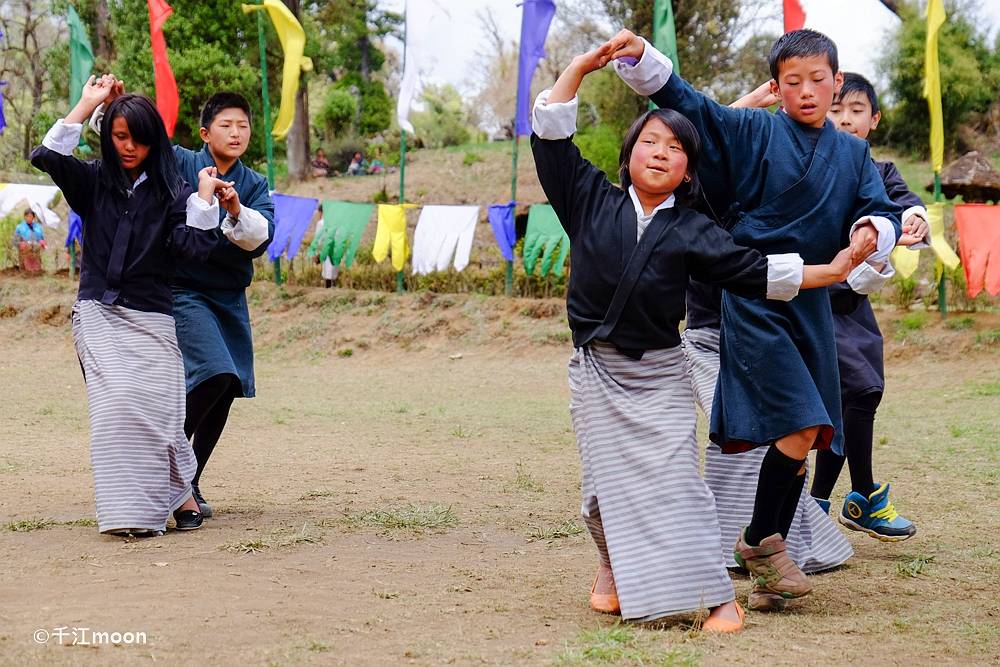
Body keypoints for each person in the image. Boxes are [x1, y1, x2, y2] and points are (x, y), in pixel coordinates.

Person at [532, 41, 857, 631]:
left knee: (680, 486)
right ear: (629, 153)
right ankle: (612, 568)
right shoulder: (585, 199)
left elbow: (755, 270)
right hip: (597, 371)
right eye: (650, 142)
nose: (661, 153)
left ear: (688, 169)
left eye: (677, 148)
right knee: (602, 493)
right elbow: (552, 137)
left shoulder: (693, 230)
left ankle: (717, 600)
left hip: (660, 372)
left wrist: (831, 272)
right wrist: (577, 69)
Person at [606, 29, 916, 610]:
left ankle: (765, 557)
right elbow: (691, 105)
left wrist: (871, 231)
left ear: (837, 83)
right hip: (754, 298)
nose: (806, 92)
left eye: (817, 81)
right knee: (799, 424)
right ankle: (761, 543)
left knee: (812, 430)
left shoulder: (852, 153)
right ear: (775, 87)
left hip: (814, 304)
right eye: (792, 82)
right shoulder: (752, 129)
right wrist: (642, 59)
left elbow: (876, 206)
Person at [30, 75, 226, 536]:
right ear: (108, 135)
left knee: (160, 410)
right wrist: (87, 101)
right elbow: (47, 156)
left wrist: (201, 199)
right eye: (120, 136)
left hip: (153, 317)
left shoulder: (175, 193)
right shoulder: (92, 180)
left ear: (155, 140)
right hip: (97, 312)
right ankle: (132, 515)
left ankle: (180, 496)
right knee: (117, 403)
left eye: (139, 138)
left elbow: (195, 251)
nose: (129, 146)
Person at [94, 83, 274, 519]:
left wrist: (233, 208)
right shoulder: (181, 160)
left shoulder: (254, 183)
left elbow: (261, 236)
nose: (236, 133)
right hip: (183, 290)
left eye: (243, 126)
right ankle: (171, 468)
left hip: (229, 296)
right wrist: (109, 108)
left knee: (228, 386)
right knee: (215, 372)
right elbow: (132, 142)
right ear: (204, 131)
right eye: (225, 124)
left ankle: (187, 479)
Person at [14, 209, 46, 273]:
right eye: (27, 216)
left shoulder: (38, 227)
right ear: (24, 217)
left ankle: (36, 271)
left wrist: (42, 242)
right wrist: (20, 244)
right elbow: (15, 241)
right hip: (25, 251)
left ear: (33, 217)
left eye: (31, 217)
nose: (29, 218)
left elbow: (42, 238)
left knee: (36, 271)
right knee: (26, 271)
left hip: (35, 250)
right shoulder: (19, 227)